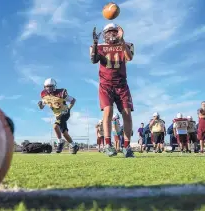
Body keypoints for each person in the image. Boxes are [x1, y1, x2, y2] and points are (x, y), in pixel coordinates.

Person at [90, 23, 135, 158]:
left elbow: (129, 57)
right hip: (105, 85)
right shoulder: (99, 46)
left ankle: (127, 146)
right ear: (104, 34)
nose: (111, 34)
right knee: (108, 111)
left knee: (126, 113)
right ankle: (108, 145)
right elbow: (93, 60)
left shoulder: (127, 44)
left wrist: (121, 43)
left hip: (121, 84)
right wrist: (95, 44)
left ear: (119, 32)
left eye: (114, 31)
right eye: (108, 32)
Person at [38, 78, 79, 154]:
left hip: (64, 113)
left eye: (51, 86)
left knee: (55, 126)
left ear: (54, 86)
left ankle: (60, 142)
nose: (49, 88)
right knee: (64, 133)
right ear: (45, 87)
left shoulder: (61, 93)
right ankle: (74, 146)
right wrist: (40, 105)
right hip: (57, 115)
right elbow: (42, 106)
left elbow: (73, 100)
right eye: (47, 86)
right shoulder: (44, 95)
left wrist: (68, 109)